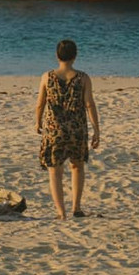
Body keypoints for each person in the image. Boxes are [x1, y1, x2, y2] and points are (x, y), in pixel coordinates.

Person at [35, 39, 100, 220]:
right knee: (77, 167)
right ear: (75, 56)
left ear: (57, 56)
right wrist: (96, 129)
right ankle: (76, 208)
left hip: (54, 129)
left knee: (55, 170)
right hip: (76, 129)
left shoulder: (47, 77)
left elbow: (40, 104)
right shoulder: (83, 78)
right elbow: (89, 104)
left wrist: (37, 122)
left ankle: (61, 212)